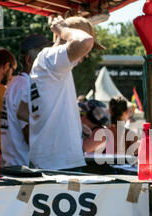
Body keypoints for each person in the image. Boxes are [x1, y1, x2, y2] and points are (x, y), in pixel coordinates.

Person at [29, 15, 104, 170]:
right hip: (58, 164)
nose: (87, 54)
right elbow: (84, 41)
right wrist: (63, 30)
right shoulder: (51, 59)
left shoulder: (52, 64)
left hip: (53, 161)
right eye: (88, 51)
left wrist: (76, 127)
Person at [0, 34, 51, 167]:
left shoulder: (17, 83)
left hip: (15, 163)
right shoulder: (25, 86)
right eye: (43, 57)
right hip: (23, 167)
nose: (49, 61)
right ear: (29, 60)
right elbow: (29, 131)